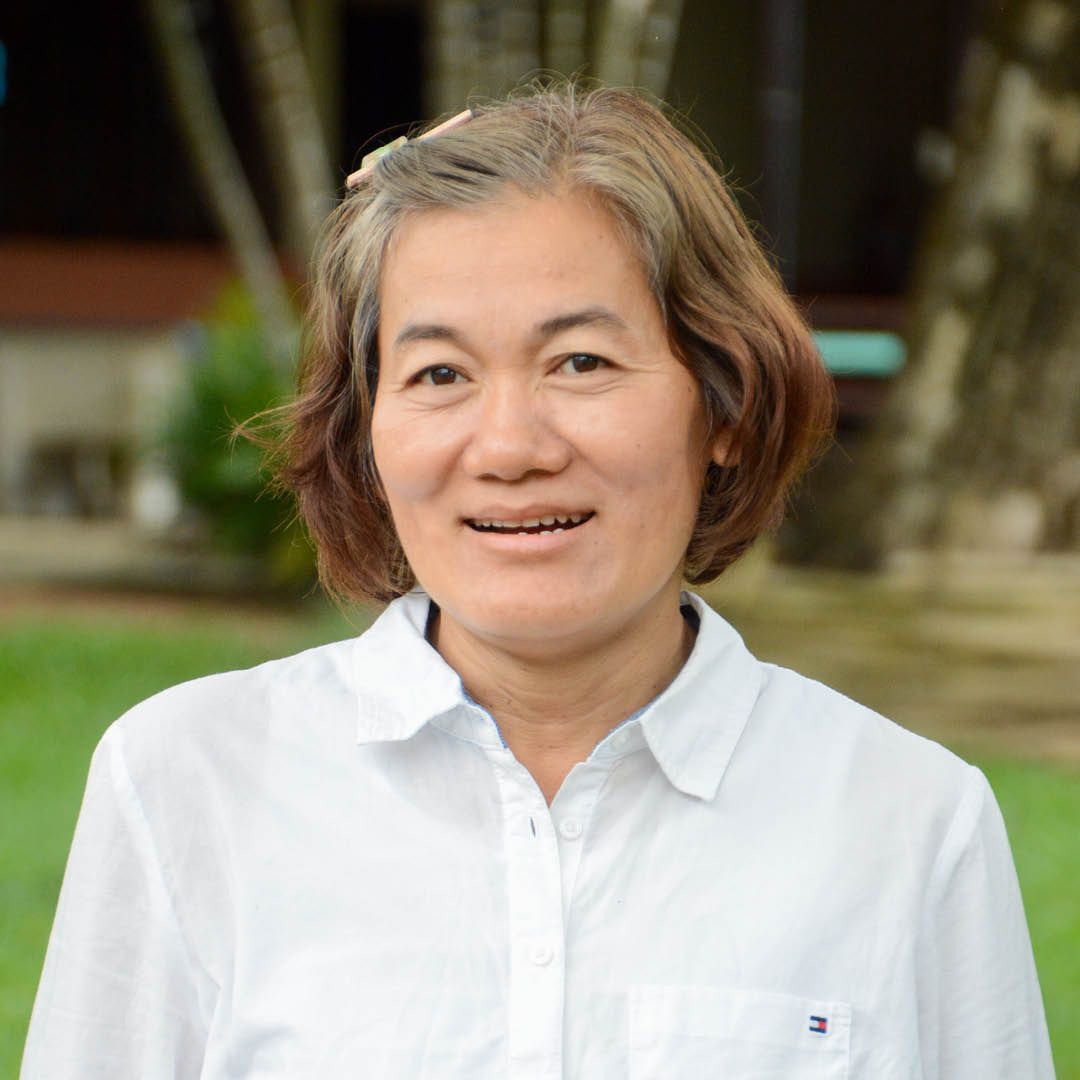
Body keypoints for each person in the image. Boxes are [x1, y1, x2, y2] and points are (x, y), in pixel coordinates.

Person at [23, 83, 1053, 1078]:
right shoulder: (184, 787)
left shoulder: (910, 824)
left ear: (728, 405)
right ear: (369, 434)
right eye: (438, 375)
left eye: (581, 363)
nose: (509, 446)